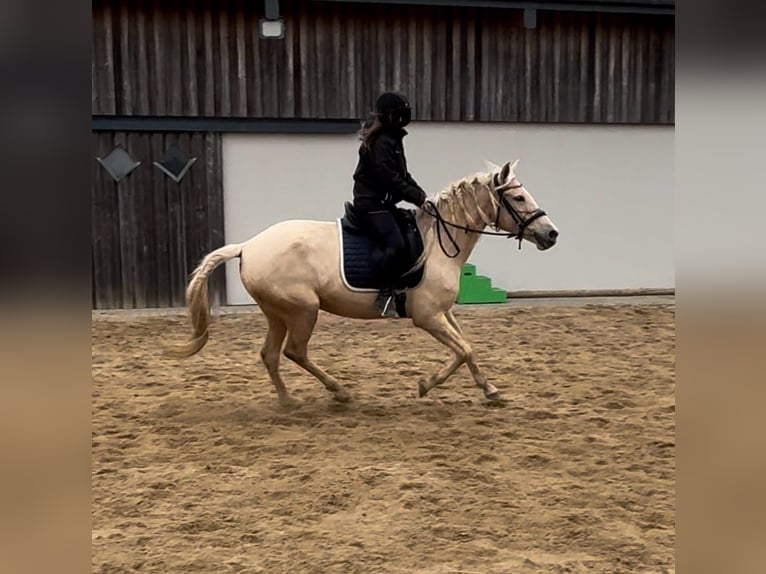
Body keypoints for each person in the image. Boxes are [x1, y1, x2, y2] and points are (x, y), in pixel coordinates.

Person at [351, 91, 428, 317]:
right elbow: (390, 179)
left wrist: (423, 196)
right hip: (371, 204)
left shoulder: (393, 140)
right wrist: (417, 198)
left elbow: (403, 175)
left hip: (385, 204)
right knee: (397, 244)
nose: (404, 118)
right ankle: (385, 294)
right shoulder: (381, 143)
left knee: (410, 233)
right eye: (399, 114)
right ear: (388, 116)